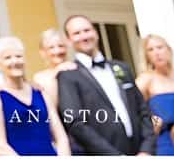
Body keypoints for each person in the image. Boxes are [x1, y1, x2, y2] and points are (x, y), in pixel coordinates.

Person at [56, 14, 156, 155]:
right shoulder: (68, 76)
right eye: (77, 33)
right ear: (69, 40)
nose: (84, 36)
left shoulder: (122, 68)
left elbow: (143, 111)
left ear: (95, 33)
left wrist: (146, 150)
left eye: (87, 30)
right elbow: (75, 123)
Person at [0, 36, 71, 156]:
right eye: (7, 58)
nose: (15, 61)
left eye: (18, 56)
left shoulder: (41, 93)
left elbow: (61, 137)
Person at [31, 28, 76, 108]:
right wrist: (56, 73)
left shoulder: (76, 68)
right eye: (51, 47)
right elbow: (49, 108)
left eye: (61, 46)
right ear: (43, 52)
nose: (57, 51)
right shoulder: (39, 78)